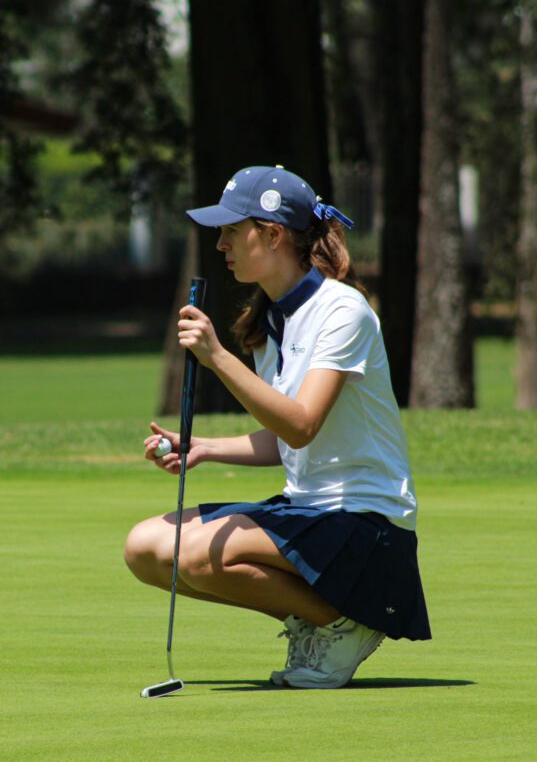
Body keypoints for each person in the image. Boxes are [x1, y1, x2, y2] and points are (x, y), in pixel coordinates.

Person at [124, 165, 431, 689]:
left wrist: (217, 355)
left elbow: (302, 425)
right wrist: (203, 449)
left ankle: (340, 626)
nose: (220, 243)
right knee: (146, 547)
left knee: (197, 555)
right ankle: (317, 620)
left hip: (364, 522)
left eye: (230, 230)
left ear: (272, 233)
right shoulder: (270, 322)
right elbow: (286, 440)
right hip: (308, 511)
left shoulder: (342, 309)